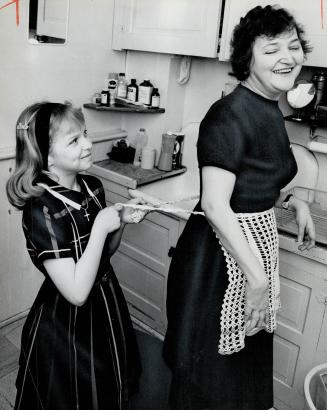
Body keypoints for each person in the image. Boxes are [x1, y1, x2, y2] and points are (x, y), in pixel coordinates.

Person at [162, 5, 316, 410]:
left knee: (238, 376)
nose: (288, 57)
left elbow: (256, 178)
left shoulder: (269, 109)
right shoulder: (228, 114)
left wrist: (295, 202)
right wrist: (257, 278)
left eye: (294, 46)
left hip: (251, 253)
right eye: (272, 49)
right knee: (209, 381)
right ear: (247, 59)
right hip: (218, 262)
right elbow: (215, 205)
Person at [6, 102, 146, 410]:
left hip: (107, 304)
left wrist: (119, 223)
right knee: (74, 395)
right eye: (74, 140)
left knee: (109, 386)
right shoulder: (41, 208)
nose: (88, 143)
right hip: (65, 324)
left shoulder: (93, 187)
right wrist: (99, 228)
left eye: (85, 134)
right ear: (46, 155)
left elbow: (104, 255)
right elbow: (77, 293)